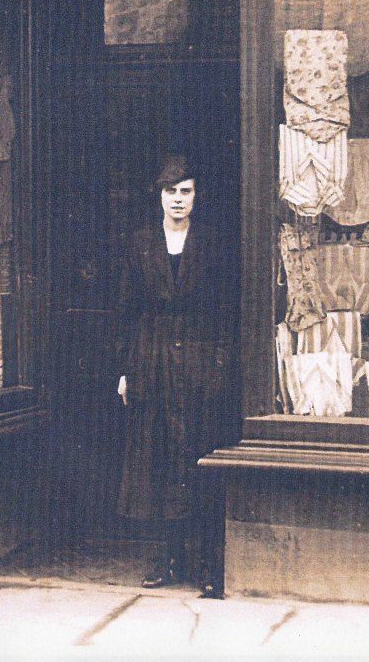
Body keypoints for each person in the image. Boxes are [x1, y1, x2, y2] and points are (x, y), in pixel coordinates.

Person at [115, 154, 237, 594]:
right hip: (152, 361)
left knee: (197, 458)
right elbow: (127, 310)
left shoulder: (212, 242)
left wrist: (220, 363)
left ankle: (205, 564)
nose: (179, 200)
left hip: (200, 361)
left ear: (196, 196)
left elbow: (227, 308)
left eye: (186, 191)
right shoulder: (141, 243)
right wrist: (126, 370)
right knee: (157, 462)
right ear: (159, 196)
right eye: (171, 192)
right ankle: (164, 559)